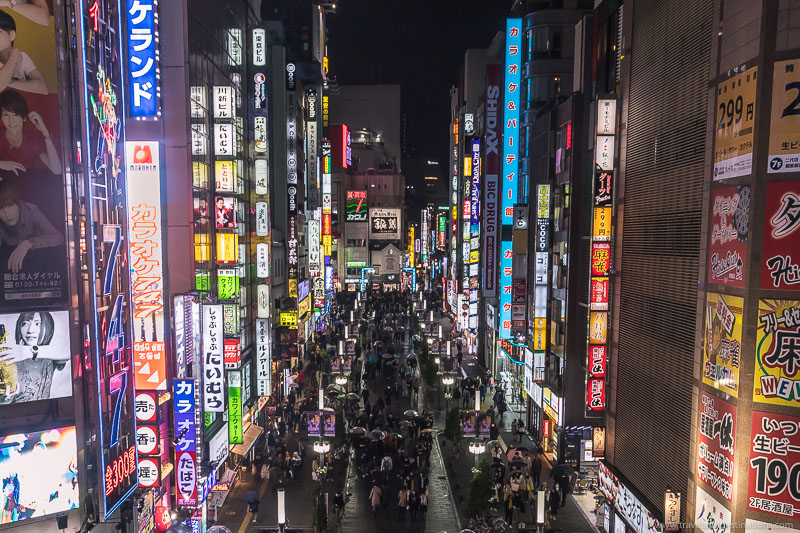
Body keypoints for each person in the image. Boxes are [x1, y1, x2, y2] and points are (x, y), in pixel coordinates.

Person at [0, 311, 70, 403]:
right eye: (25, 324)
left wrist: (28, 352)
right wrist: (5, 400)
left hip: (46, 410)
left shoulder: (50, 355)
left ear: (48, 326)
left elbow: (70, 352)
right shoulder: (9, 357)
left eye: (38, 324)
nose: (30, 330)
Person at [0, 89, 60, 173]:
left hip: (25, 184)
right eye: (6, 115)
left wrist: (45, 132)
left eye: (15, 115)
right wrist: (2, 164)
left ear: (24, 117)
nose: (10, 120)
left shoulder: (32, 142)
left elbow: (57, 170)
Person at [0, 11, 47, 94]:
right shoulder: (15, 57)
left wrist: (8, 83)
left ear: (12, 35)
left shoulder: (22, 57)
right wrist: (12, 59)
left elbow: (42, 87)